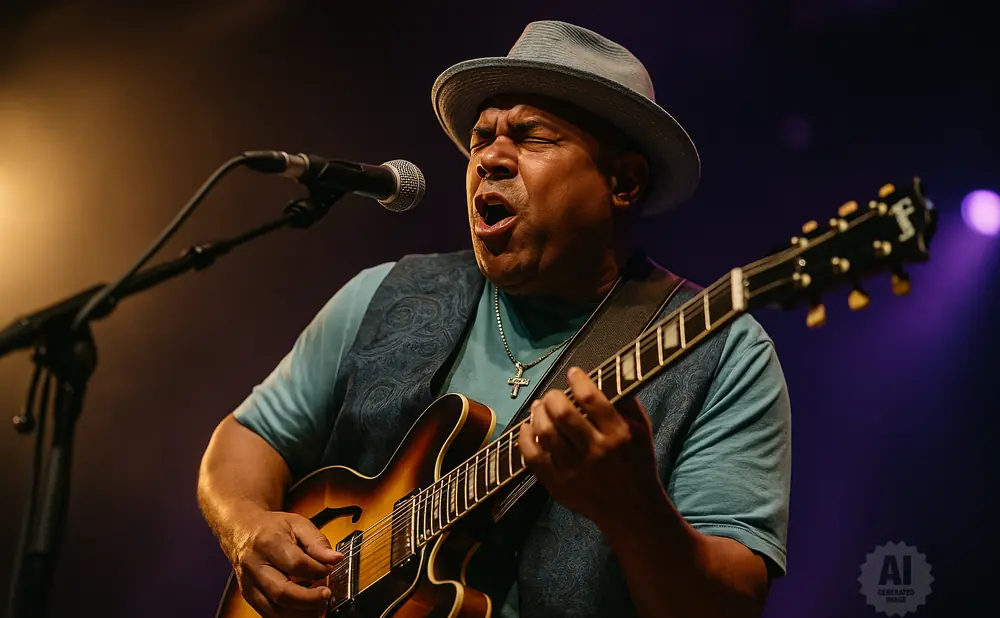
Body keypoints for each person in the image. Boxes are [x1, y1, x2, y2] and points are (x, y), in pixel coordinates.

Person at [197, 20, 791, 618]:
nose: (490, 159)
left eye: (532, 137)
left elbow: (731, 604)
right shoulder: (384, 293)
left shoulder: (719, 349)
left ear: (624, 182)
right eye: (482, 139)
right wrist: (247, 527)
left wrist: (634, 507)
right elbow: (245, 438)